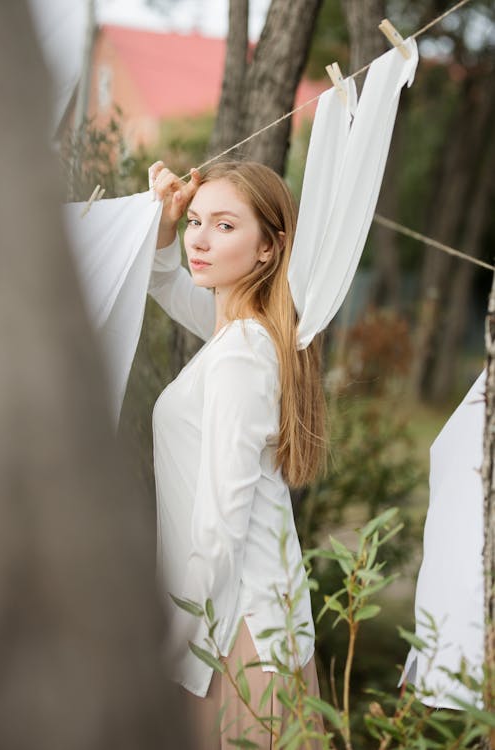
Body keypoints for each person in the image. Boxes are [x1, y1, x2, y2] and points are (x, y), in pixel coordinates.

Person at [148, 159, 327, 748]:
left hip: (235, 632)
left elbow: (219, 529)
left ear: (269, 249)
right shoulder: (243, 330)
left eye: (225, 226)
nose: (200, 239)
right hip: (239, 622)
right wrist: (166, 227)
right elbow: (171, 281)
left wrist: (169, 642)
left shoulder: (243, 353)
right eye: (197, 221)